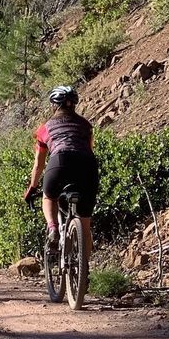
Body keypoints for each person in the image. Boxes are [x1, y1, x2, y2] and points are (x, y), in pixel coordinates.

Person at [24, 85, 98, 259]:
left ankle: (53, 228)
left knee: (49, 197)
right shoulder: (86, 125)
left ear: (54, 105)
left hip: (59, 161)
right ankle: (84, 269)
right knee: (85, 225)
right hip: (87, 165)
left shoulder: (45, 128)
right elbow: (89, 149)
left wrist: (32, 188)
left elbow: (38, 165)